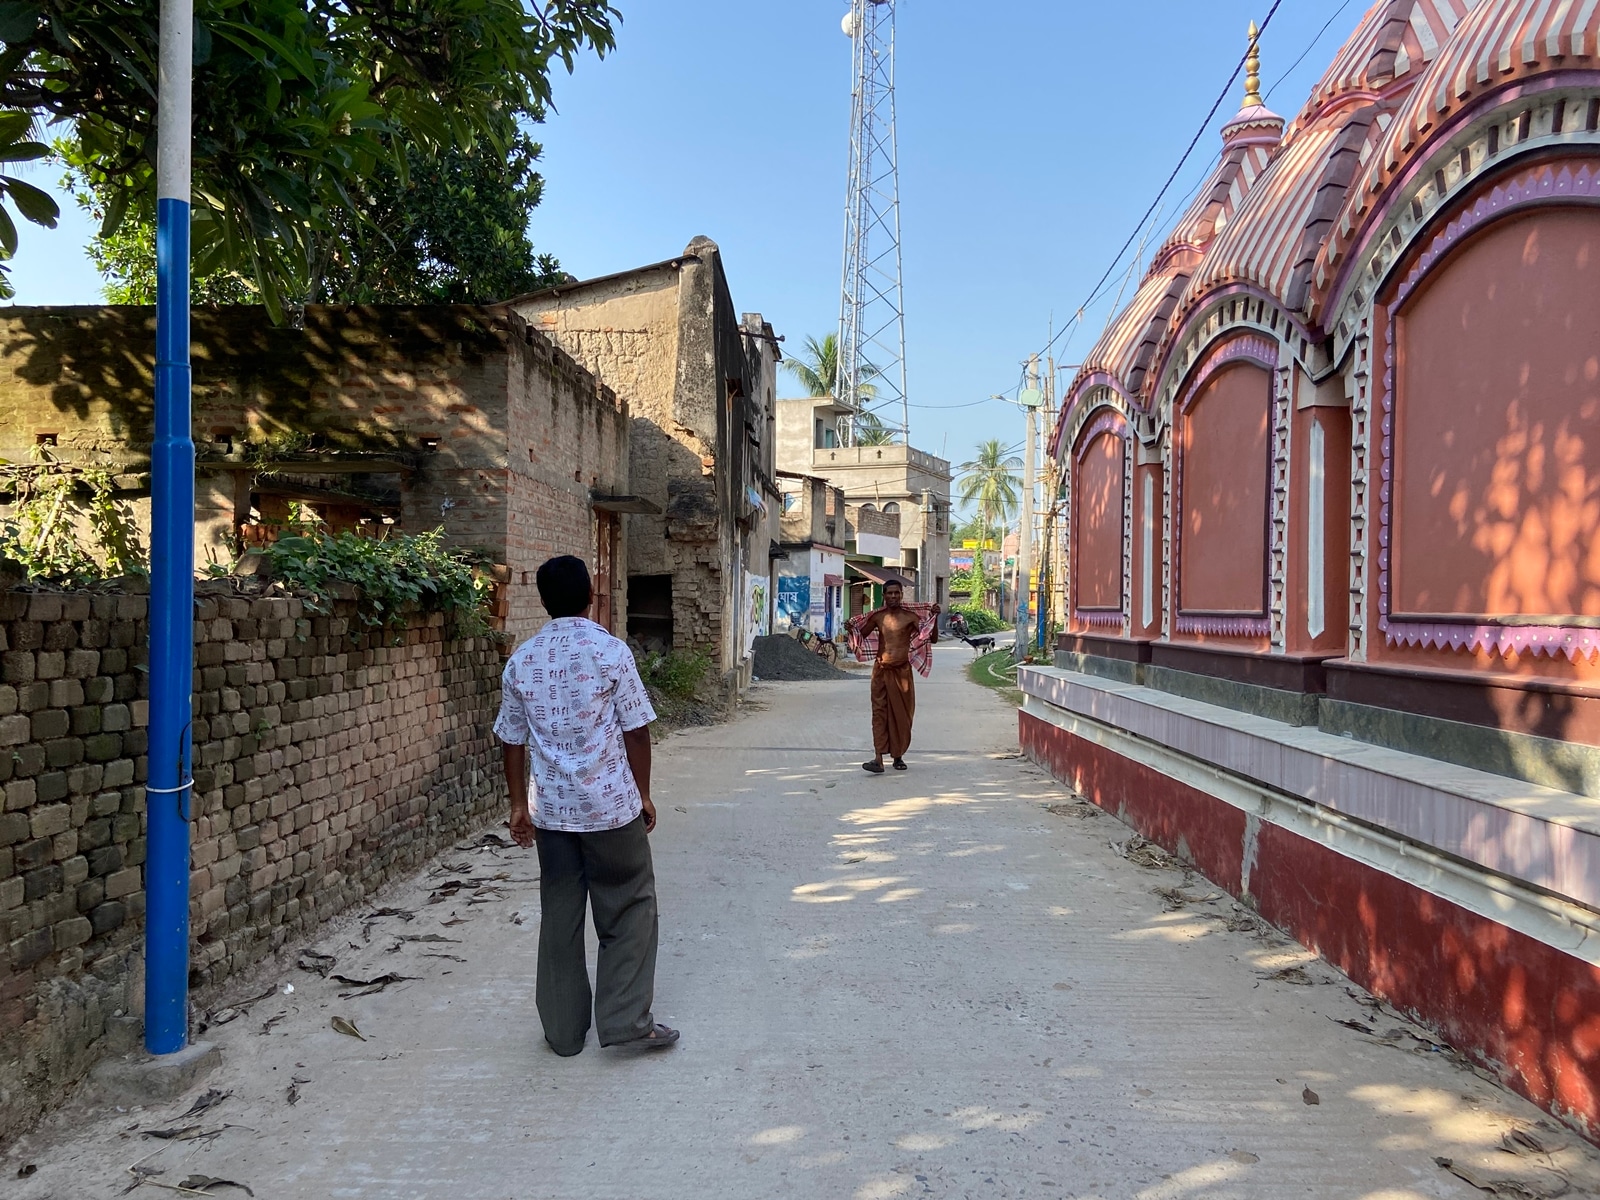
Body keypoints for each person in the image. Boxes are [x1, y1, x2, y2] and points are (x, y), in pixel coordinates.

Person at [493, 555, 679, 1056]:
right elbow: (636, 730)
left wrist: (517, 806)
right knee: (630, 905)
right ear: (592, 594)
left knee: (559, 914)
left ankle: (563, 1031)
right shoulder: (611, 652)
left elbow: (512, 740)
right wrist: (642, 793)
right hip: (611, 810)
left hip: (551, 814)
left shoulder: (523, 660)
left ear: (544, 601)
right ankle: (625, 1022)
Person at [847, 580, 940, 773]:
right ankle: (878, 758)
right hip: (881, 671)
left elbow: (931, 638)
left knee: (902, 715)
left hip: (902, 672)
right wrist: (851, 630)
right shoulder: (878, 617)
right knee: (879, 713)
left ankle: (898, 757)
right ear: (884, 595)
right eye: (889, 593)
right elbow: (861, 635)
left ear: (901, 594)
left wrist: (935, 618)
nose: (893, 596)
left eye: (897, 593)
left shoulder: (910, 617)